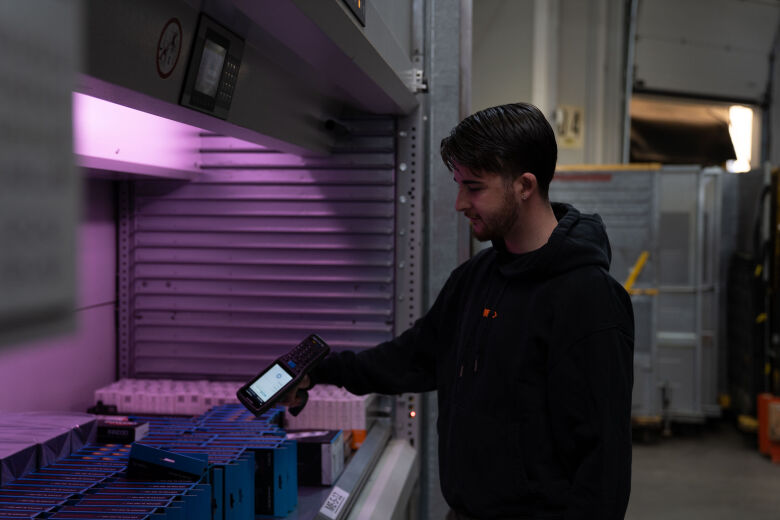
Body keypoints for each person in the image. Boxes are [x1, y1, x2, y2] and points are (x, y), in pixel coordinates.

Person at [283, 102, 634, 519]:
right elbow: (414, 358)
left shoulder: (589, 299)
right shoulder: (476, 278)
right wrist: (320, 370)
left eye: (475, 187)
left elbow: (604, 465)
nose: (459, 203)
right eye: (459, 185)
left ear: (524, 185)